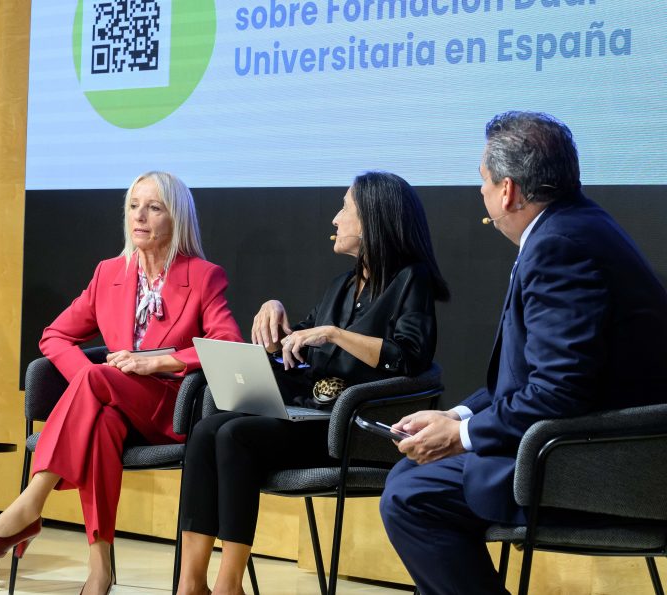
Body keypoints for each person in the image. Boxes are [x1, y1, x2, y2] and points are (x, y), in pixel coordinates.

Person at [379, 111, 667, 595]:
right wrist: (455, 415)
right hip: (588, 441)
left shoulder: (560, 247)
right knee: (412, 472)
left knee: (412, 496)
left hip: (594, 460)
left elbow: (558, 392)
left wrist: (462, 437)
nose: (481, 191)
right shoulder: (575, 226)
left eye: (484, 180)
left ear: (508, 190)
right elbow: (528, 379)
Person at [0, 171, 243, 594]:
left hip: (170, 407)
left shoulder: (203, 276)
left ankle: (31, 503)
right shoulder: (109, 273)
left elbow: (229, 346)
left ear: (177, 218)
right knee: (100, 425)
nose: (140, 216)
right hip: (114, 403)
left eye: (154, 207)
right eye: (133, 206)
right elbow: (54, 336)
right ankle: (99, 573)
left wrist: (158, 362)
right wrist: (90, 385)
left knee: (98, 387)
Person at [175, 171, 449, 595]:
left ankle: (229, 585)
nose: (335, 219)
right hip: (311, 415)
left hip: (354, 429)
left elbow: (410, 358)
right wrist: (275, 317)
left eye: (345, 208)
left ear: (373, 220)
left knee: (234, 436)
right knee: (208, 429)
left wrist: (335, 334)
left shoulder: (411, 280)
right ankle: (190, 583)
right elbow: (300, 346)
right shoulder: (342, 285)